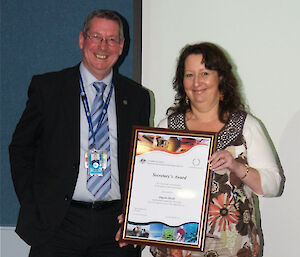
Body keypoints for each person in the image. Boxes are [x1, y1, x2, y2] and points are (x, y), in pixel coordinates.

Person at [9, 9, 150, 257]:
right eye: (96, 36)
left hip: (114, 228)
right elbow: (21, 149)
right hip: (58, 224)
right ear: (82, 40)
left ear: (121, 46)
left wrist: (134, 214)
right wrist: (35, 205)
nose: (103, 46)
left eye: (112, 39)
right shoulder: (48, 88)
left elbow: (143, 162)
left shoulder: (137, 96)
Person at [149, 42, 283, 257]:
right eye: (189, 74)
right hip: (177, 248)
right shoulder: (166, 127)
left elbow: (274, 185)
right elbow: (149, 187)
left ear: (220, 78)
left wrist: (237, 167)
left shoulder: (246, 125)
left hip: (233, 247)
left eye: (204, 73)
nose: (196, 82)